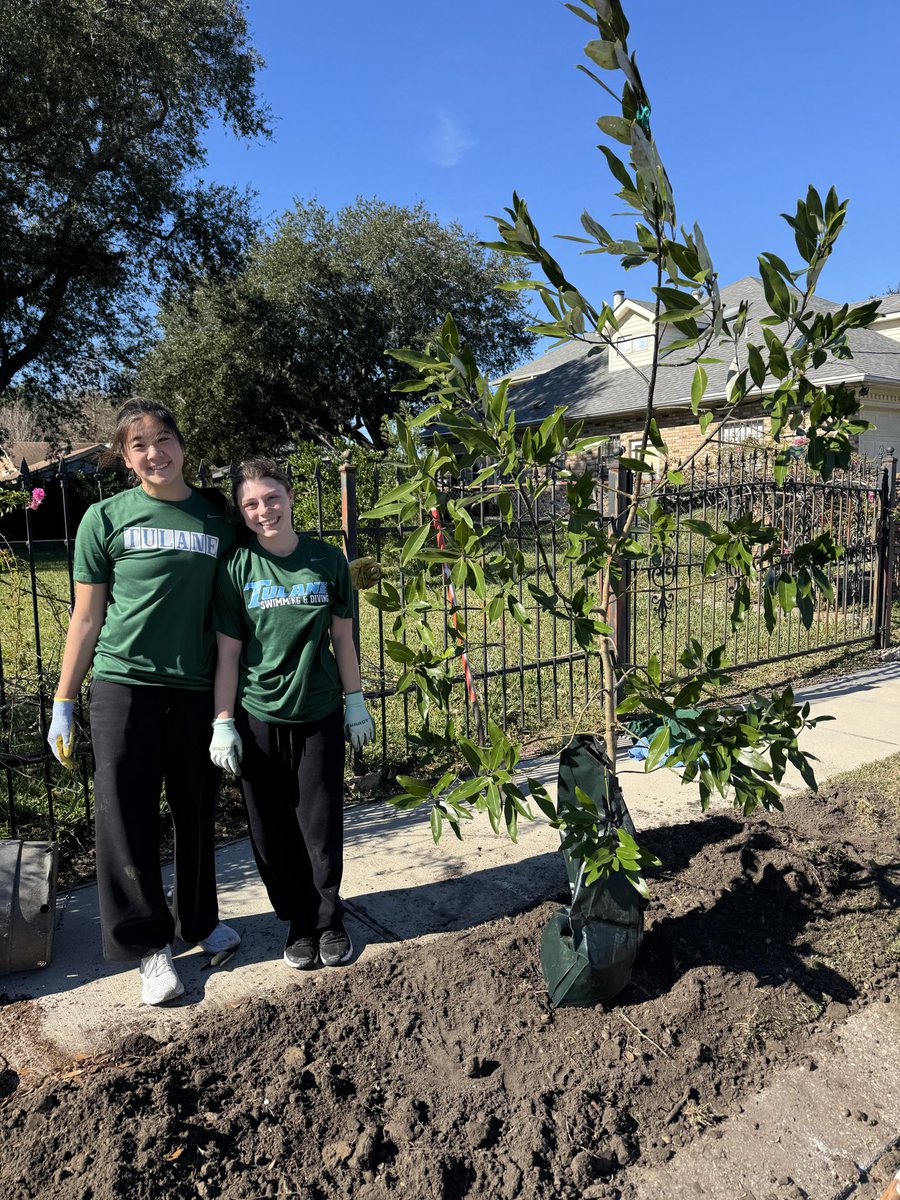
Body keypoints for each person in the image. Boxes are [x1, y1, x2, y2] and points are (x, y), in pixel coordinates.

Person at [47, 399, 241, 1005]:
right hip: (123, 687)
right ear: (125, 457)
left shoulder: (218, 520)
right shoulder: (105, 518)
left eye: (163, 440)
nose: (154, 453)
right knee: (126, 818)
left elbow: (235, 609)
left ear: (181, 444)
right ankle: (147, 946)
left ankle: (199, 923)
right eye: (139, 446)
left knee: (195, 810)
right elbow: (86, 616)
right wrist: (64, 700)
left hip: (194, 688)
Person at [209, 458, 375, 970]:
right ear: (243, 511)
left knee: (319, 825)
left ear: (290, 495)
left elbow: (343, 639)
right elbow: (229, 655)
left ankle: (328, 921)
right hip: (259, 717)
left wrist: (354, 701)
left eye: (272, 498)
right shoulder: (237, 569)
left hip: (319, 712)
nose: (265, 511)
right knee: (270, 828)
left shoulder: (326, 562)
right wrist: (222, 722)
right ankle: (298, 923)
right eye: (252, 504)